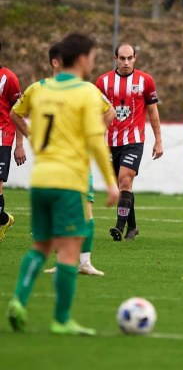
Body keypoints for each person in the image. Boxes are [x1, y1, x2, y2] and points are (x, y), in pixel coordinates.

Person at [7, 33, 119, 335]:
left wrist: (31, 137)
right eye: (94, 56)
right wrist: (111, 183)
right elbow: (96, 141)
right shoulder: (85, 92)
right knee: (69, 252)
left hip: (41, 179)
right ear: (82, 58)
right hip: (70, 181)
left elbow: (16, 112)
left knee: (41, 246)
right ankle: (61, 320)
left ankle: (19, 299)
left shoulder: (38, 89)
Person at [41, 42, 115, 276]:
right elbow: (17, 114)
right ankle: (64, 261)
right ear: (56, 62)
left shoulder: (87, 88)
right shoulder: (42, 88)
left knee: (86, 210)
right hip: (53, 163)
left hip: (79, 162)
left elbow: (110, 111)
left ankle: (85, 262)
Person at [96, 43, 163, 242]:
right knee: (123, 186)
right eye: (122, 58)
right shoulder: (103, 81)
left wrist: (158, 141)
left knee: (125, 179)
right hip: (109, 140)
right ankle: (132, 227)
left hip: (134, 140)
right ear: (116, 58)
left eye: (130, 58)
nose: (126, 62)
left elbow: (153, 112)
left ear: (135, 58)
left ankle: (119, 227)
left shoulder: (145, 81)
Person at [0, 40, 26, 242]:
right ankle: (4, 219)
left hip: (3, 137)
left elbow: (17, 112)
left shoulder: (9, 78)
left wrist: (19, 145)